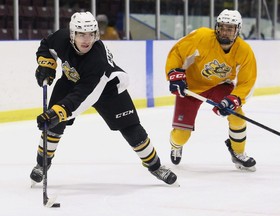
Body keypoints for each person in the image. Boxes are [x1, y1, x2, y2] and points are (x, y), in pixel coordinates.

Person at [30, 11, 177, 185]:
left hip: (107, 89)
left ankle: (155, 166)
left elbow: (83, 97)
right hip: (72, 81)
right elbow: (47, 45)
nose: (87, 40)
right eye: (81, 34)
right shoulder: (61, 38)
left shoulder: (97, 60)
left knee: (131, 129)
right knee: (53, 125)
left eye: (91, 34)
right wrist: (47, 65)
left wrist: (57, 113)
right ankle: (42, 164)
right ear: (72, 34)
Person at [165, 9, 257, 171]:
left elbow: (247, 81)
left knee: (238, 117)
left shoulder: (244, 50)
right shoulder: (202, 36)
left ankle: (238, 152)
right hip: (191, 88)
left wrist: (234, 98)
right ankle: (175, 146)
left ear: (238, 30)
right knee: (181, 136)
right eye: (222, 27)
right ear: (217, 27)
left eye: (230, 28)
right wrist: (175, 74)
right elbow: (178, 52)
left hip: (220, 86)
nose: (225, 31)